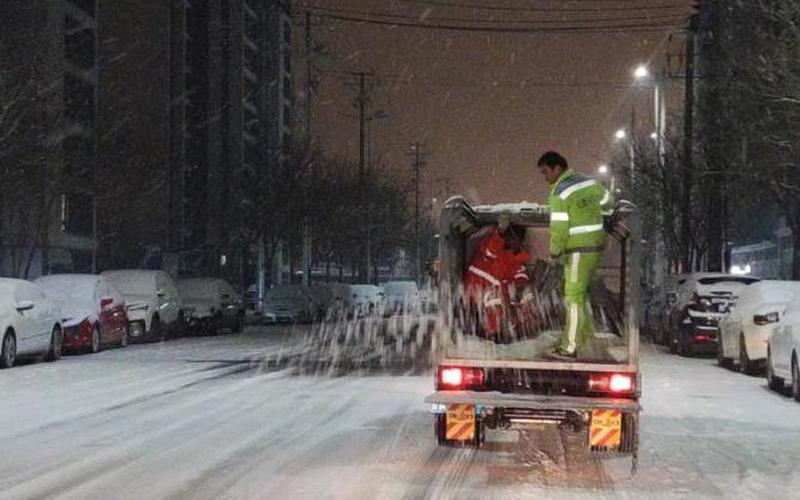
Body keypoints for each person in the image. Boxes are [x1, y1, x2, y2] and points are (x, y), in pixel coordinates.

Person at [537, 151, 613, 357]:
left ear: (557, 168)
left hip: (578, 250)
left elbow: (559, 230)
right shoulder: (590, 182)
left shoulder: (559, 193)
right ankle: (585, 337)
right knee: (581, 295)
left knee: (572, 298)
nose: (545, 178)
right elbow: (608, 201)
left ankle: (569, 346)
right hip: (595, 247)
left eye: (546, 172)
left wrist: (554, 254)